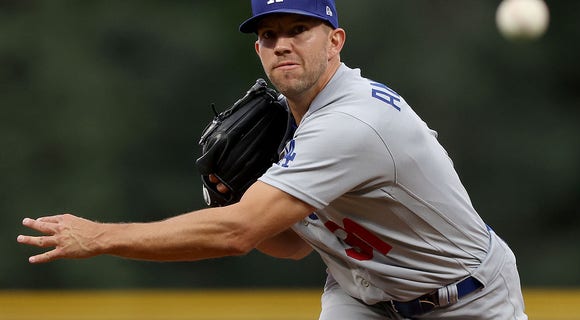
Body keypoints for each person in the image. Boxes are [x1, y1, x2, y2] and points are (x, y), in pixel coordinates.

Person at [17, 1, 528, 319]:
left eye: (298, 29)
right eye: (268, 35)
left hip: (467, 301)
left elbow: (235, 235)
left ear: (335, 41)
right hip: (362, 297)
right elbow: (290, 248)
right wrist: (235, 197)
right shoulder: (287, 120)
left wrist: (101, 237)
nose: (282, 44)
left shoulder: (350, 123)